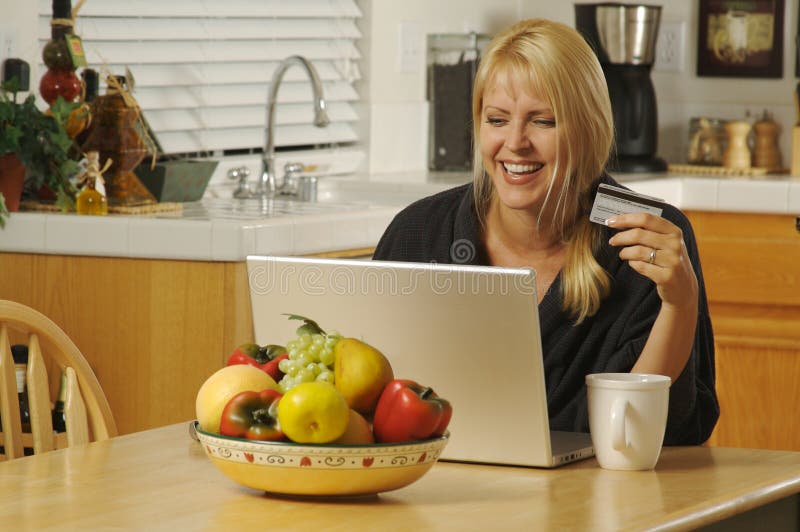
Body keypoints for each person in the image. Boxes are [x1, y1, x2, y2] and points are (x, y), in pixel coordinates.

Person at [372, 18, 718, 445]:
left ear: (588, 128)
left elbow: (644, 433)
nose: (515, 142)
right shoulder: (417, 232)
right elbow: (370, 409)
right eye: (497, 120)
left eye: (544, 121)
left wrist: (680, 305)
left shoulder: (649, 238)